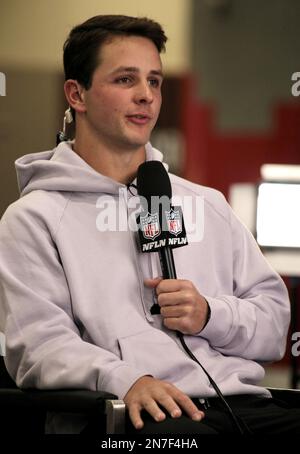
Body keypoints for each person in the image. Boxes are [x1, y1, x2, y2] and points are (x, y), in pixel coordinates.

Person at [0, 14, 299, 435]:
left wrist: (209, 314)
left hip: (242, 406)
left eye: (154, 81)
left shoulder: (207, 204)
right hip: (135, 415)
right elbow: (40, 347)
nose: (146, 96)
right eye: (126, 80)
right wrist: (127, 380)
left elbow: (272, 330)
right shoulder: (34, 219)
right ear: (77, 94)